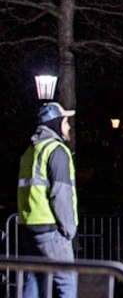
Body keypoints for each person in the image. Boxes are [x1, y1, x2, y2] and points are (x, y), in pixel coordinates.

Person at [17, 101, 79, 298]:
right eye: (66, 122)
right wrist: (69, 229)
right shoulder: (57, 151)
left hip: (29, 227)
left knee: (34, 281)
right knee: (67, 283)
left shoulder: (30, 152)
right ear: (56, 123)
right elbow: (61, 194)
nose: (68, 127)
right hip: (51, 229)